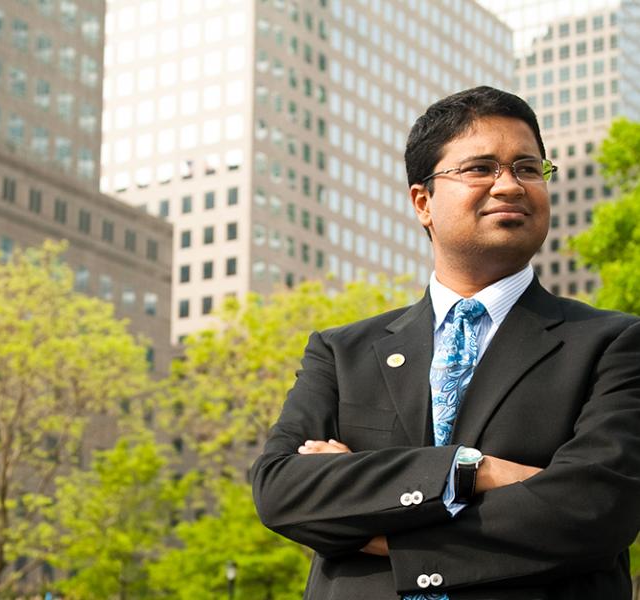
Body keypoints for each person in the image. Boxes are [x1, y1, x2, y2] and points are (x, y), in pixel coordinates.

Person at [251, 86, 640, 599]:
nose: (510, 185)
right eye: (480, 168)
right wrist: (471, 470)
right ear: (423, 202)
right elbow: (282, 489)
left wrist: (389, 534)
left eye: (528, 168)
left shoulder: (614, 344)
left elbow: (595, 508)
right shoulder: (341, 353)